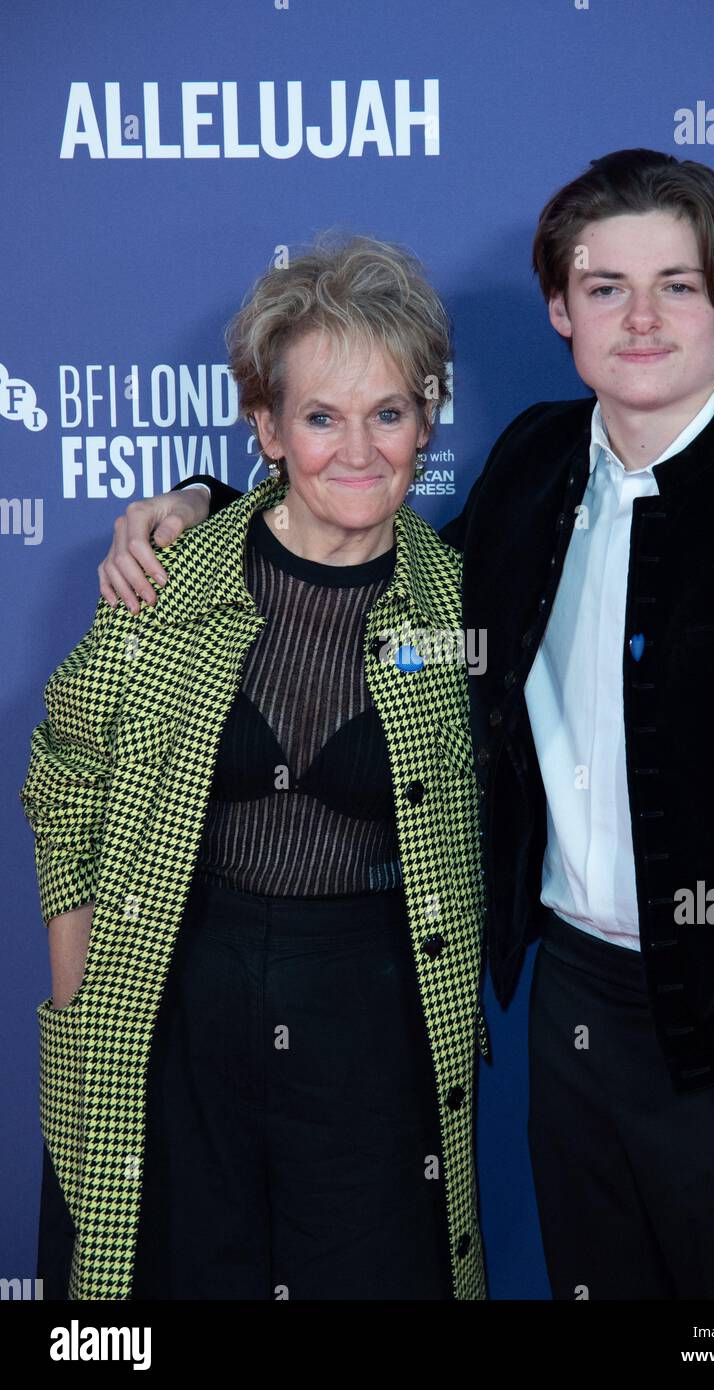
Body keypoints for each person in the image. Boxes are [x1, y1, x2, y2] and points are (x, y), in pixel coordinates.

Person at [98, 150, 714, 1302]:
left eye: (677, 283)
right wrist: (206, 503)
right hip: (571, 1023)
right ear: (559, 307)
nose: (641, 317)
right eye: (605, 286)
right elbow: (365, 538)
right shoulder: (534, 464)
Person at [20, 236, 489, 1301]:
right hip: (178, 1001)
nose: (359, 449)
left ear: (425, 421)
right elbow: (67, 770)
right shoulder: (167, 575)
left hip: (376, 1025)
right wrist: (82, 993)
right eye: (321, 416)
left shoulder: (467, 602)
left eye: (389, 412)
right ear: (268, 429)